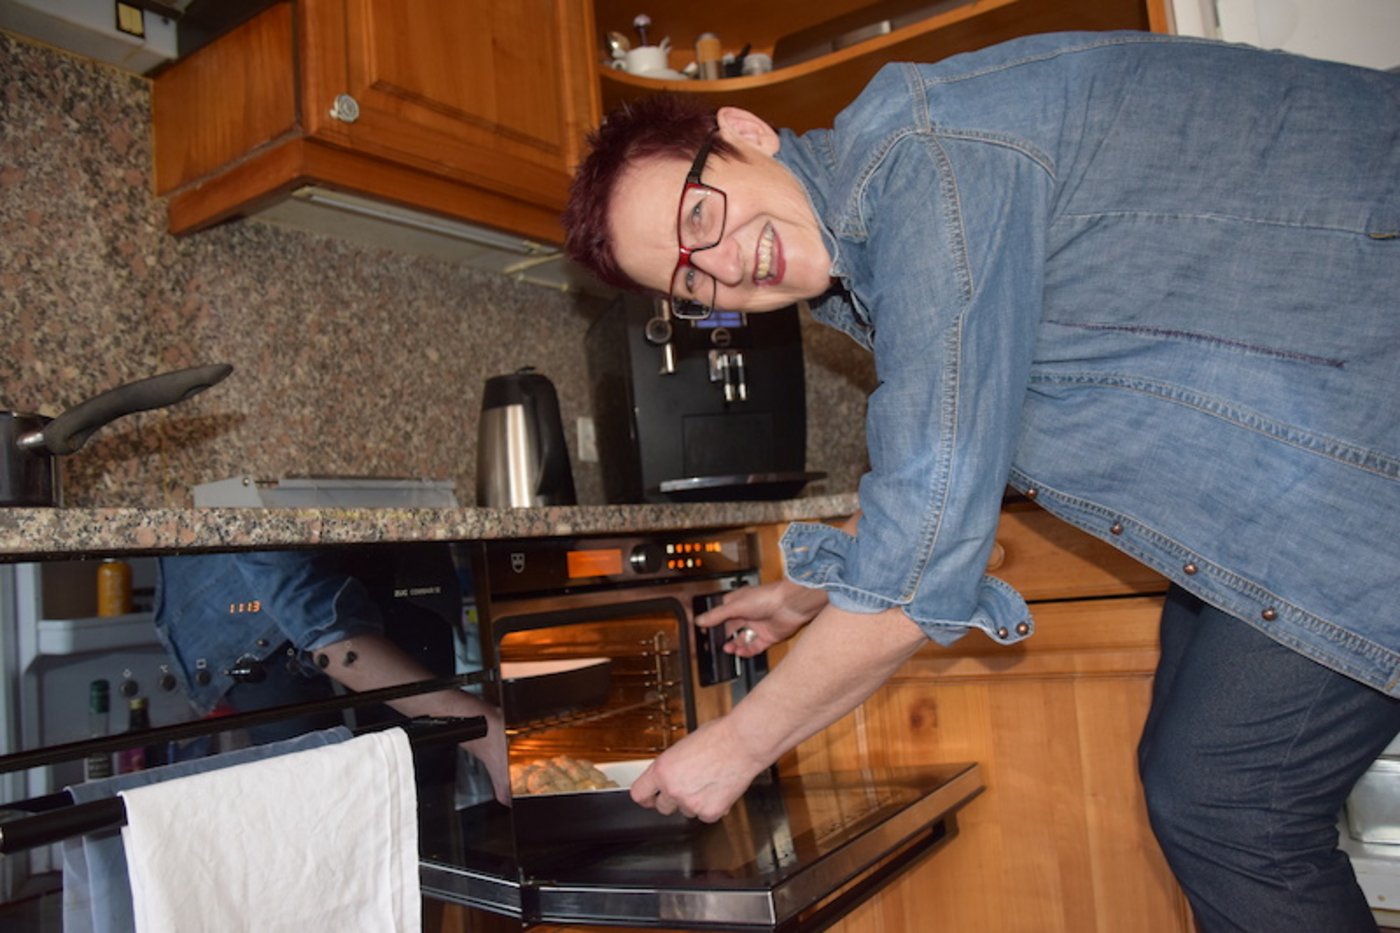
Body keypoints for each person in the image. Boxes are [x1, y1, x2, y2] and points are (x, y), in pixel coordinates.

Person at [561, 30, 1400, 932]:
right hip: (1318, 449)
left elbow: (925, 555)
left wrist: (737, 744)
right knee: (1194, 773)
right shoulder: (877, 244)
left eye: (697, 219)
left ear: (744, 130)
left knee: (1226, 801)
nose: (723, 263)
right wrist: (815, 587)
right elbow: (963, 453)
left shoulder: (924, 165)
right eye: (691, 280)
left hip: (1364, 424)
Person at [154, 545, 510, 804]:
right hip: (253, 618)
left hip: (397, 568)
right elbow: (324, 630)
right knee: (321, 809)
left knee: (423, 803)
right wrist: (482, 729)